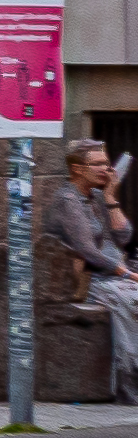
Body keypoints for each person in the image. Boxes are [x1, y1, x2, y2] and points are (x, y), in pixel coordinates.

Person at [46, 139, 138, 407]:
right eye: (97, 164)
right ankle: (129, 382)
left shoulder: (97, 196)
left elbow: (124, 237)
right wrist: (128, 275)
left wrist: (110, 197)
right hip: (91, 279)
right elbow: (87, 250)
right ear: (76, 169)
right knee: (130, 301)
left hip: (116, 274)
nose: (105, 169)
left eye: (107, 164)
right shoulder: (68, 200)